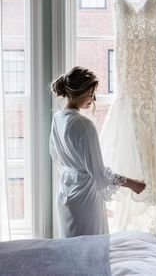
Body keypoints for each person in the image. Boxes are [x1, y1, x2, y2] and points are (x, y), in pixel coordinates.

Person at [49, 66, 146, 237]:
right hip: (85, 200)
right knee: (90, 251)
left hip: (66, 194)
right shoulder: (84, 125)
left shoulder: (58, 118)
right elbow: (100, 174)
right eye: (90, 93)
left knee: (72, 251)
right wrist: (134, 184)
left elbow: (55, 155)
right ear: (81, 91)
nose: (93, 99)